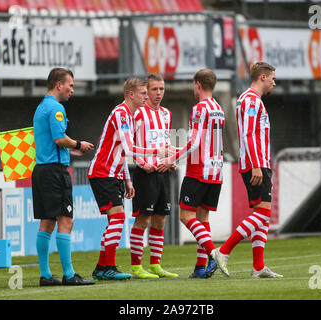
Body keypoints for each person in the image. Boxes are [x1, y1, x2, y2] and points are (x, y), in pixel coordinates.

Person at [88, 77, 170, 281]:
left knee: (114, 221)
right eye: (144, 93)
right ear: (131, 94)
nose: (147, 96)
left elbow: (122, 153)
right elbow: (129, 149)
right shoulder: (122, 114)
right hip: (103, 172)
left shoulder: (130, 115)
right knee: (118, 219)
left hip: (113, 173)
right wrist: (156, 151)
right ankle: (109, 267)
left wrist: (127, 180)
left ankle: (102, 267)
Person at [212, 62, 283, 278]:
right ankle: (223, 251)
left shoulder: (249, 99)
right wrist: (256, 165)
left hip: (258, 163)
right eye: (272, 77)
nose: (274, 82)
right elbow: (250, 134)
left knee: (262, 215)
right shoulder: (251, 100)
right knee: (263, 213)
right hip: (256, 164)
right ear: (262, 77)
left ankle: (258, 267)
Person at [32, 67, 95, 286]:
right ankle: (69, 274)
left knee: (47, 222)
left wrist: (71, 150)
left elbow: (51, 140)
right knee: (66, 220)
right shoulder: (56, 108)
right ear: (59, 84)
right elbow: (60, 138)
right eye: (70, 85)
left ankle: (45, 275)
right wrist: (79, 144)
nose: (72, 89)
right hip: (55, 172)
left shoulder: (41, 107)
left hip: (41, 170)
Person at [160, 69, 225, 278]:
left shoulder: (199, 109)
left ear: (197, 84)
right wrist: (176, 151)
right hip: (216, 171)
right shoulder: (219, 108)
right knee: (202, 217)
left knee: (186, 216)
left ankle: (214, 253)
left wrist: (172, 158)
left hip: (199, 170)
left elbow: (194, 143)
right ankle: (199, 268)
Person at [129, 73, 178, 279]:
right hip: (144, 172)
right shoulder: (138, 114)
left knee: (160, 220)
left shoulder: (167, 114)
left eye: (162, 89)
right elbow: (128, 144)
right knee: (143, 220)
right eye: (154, 89)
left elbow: (165, 144)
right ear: (146, 92)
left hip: (162, 172)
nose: (159, 93)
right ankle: (136, 266)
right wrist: (143, 163)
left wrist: (172, 159)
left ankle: (156, 264)